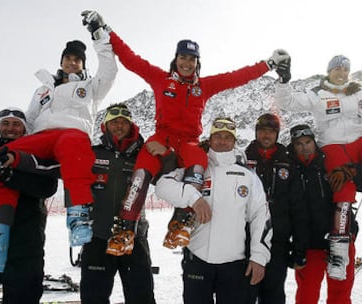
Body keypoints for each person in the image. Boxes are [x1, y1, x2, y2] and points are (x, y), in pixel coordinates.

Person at [80, 11, 287, 255]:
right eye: (183, 57)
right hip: (162, 137)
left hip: (188, 142)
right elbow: (131, 59)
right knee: (143, 166)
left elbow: (236, 77)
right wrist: (106, 30)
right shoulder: (160, 79)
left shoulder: (204, 87)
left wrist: (268, 64)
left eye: (192, 59)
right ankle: (125, 228)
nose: (187, 63)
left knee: (198, 159)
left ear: (197, 62)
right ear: (175, 59)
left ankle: (181, 221)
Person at [0, 12, 117, 273]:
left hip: (72, 135)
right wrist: (13, 149)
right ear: (61, 60)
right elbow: (29, 118)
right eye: (68, 58)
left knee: (75, 153)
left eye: (77, 59)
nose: (72, 62)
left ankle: (79, 218)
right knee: (2, 154)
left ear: (82, 64)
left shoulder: (91, 87)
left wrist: (99, 35)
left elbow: (109, 68)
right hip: (40, 137)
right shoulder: (43, 88)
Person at [273, 52, 362, 281]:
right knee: (343, 188)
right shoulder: (318, 93)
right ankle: (338, 251)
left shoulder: (359, 89)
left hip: (360, 141)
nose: (342, 73)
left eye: (345, 69)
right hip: (334, 145)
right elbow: (288, 103)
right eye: (337, 69)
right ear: (329, 71)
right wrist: (284, 81)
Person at [155, 117, 272, 304]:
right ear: (210, 139)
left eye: (228, 137)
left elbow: (260, 216)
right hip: (198, 260)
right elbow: (162, 186)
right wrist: (194, 198)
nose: (223, 141)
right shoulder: (196, 168)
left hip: (234, 263)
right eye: (218, 136)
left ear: (234, 141)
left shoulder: (247, 175)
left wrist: (259, 257)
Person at [79, 103, 156, 304]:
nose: (119, 126)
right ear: (105, 126)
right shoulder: (92, 153)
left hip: (133, 237)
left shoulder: (143, 155)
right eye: (114, 122)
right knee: (93, 298)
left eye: (124, 122)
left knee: (142, 298)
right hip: (97, 237)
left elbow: (167, 174)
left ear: (131, 126)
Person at [288, 124, 361, 304]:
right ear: (293, 146)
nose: (305, 147)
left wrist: (352, 171)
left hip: (341, 240)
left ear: (314, 142)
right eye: (299, 144)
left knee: (340, 294)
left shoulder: (329, 161)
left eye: (308, 142)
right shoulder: (290, 170)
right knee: (307, 295)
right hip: (310, 245)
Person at [0, 107, 58, 302]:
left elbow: (48, 186)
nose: (10, 128)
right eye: (5, 123)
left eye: (16, 124)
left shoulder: (38, 151)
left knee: (25, 291)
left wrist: (11, 177)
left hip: (27, 233)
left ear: (25, 129)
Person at [244, 113, 307, 304]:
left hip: (277, 243)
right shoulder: (242, 159)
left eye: (271, 131)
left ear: (277, 134)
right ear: (256, 133)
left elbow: (299, 208)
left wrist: (299, 249)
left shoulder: (288, 162)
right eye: (262, 130)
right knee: (244, 295)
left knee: (273, 296)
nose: (266, 135)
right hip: (245, 241)